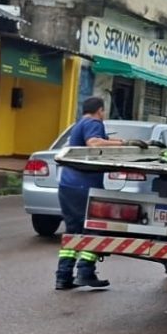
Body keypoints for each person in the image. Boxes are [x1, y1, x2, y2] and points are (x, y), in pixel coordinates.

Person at [54, 96, 128, 291]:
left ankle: (63, 276)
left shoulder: (80, 124)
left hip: (68, 185)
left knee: (72, 230)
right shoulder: (94, 122)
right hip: (84, 186)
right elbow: (94, 143)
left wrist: (120, 141)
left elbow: (96, 140)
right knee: (95, 228)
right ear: (100, 110)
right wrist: (121, 145)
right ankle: (86, 271)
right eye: (104, 111)